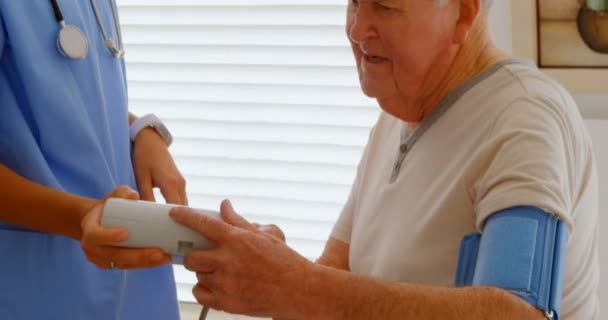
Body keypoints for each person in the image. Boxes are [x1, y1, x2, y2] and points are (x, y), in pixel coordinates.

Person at [170, 0, 600, 319]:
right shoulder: (396, 119)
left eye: (385, 7)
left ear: (463, 13)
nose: (357, 28)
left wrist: (297, 286)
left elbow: (517, 312)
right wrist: (272, 269)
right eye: (354, 2)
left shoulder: (525, 119)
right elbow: (338, 273)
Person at [0, 1, 185, 319]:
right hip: (35, 282)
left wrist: (141, 130)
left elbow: (71, 96)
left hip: (128, 274)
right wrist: (81, 217)